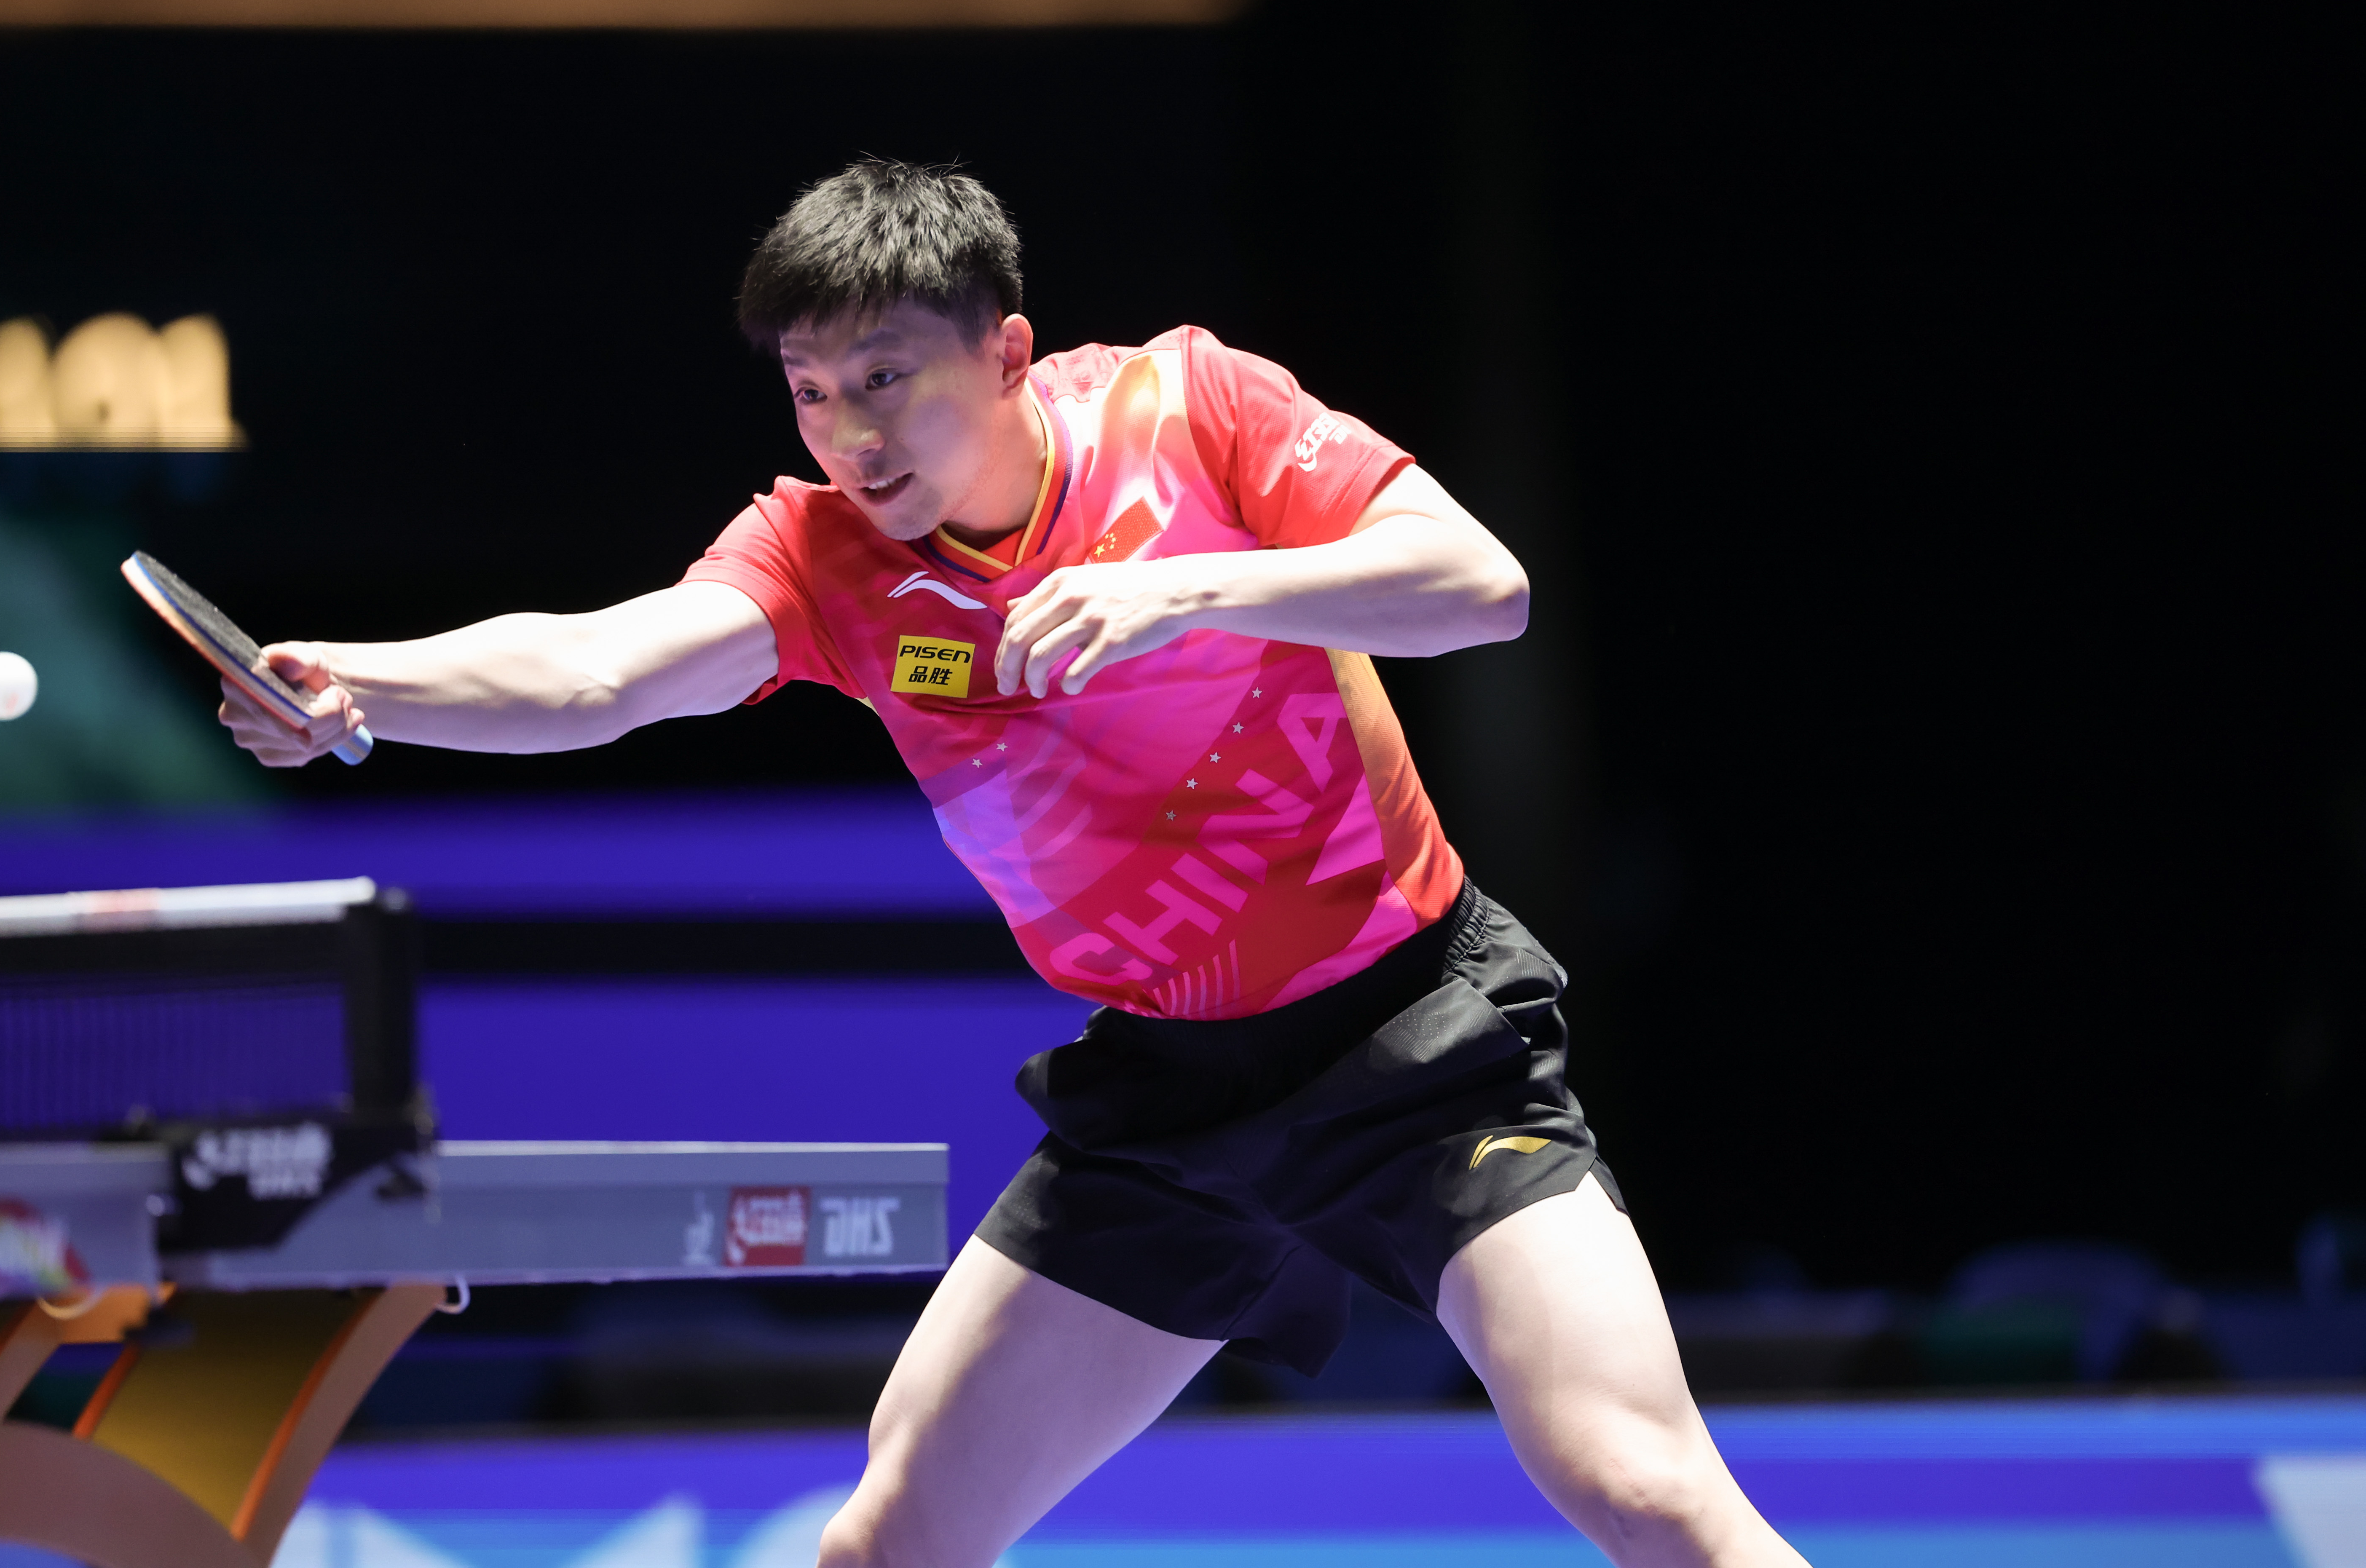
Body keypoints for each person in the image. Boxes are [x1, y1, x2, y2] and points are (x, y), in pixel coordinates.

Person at [219, 161, 1809, 1568]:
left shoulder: (1192, 410)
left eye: (886, 377)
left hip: (1417, 1046)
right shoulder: (826, 557)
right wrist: (364, 683)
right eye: (811, 391)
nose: (851, 434)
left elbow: (1482, 584)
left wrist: (1188, 591)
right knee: (891, 1541)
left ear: (1005, 352)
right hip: (1166, 1100)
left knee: (1641, 1488)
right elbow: (599, 672)